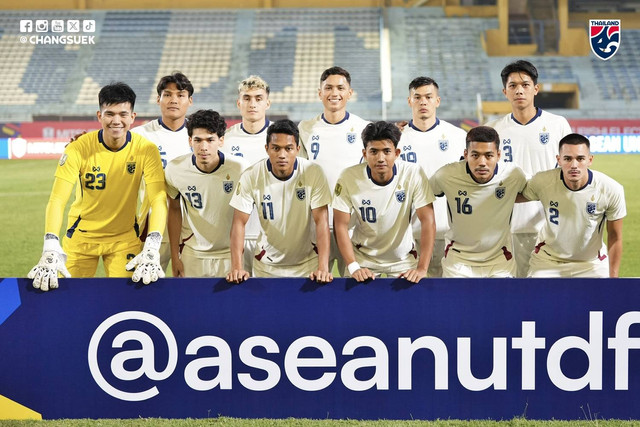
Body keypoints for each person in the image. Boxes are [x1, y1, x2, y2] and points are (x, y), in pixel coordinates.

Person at [28, 82, 167, 290]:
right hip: (82, 237)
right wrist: (50, 243)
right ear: (99, 116)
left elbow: (158, 198)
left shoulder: (146, 150)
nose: (116, 121)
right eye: (110, 114)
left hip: (124, 239)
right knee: (69, 300)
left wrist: (153, 243)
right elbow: (57, 199)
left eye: (123, 114)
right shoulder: (78, 148)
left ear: (133, 117)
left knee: (127, 300)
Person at [485, 60, 571, 277]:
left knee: (549, 290)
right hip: (507, 225)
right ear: (505, 91)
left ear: (536, 88)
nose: (519, 90)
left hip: (550, 223)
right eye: (513, 86)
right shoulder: (494, 129)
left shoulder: (557, 125)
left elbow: (570, 170)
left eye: (525, 84)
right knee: (513, 291)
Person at [226, 119, 332, 283]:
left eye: (288, 148)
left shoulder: (313, 172)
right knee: (266, 310)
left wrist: (323, 268)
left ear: (297, 149)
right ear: (267, 149)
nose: (282, 154)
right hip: (267, 266)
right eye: (276, 148)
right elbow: (238, 223)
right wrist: (236, 267)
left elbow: (322, 221)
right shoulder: (251, 175)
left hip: (307, 264)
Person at [332, 121, 436, 283]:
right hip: (363, 258)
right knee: (356, 306)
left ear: (397, 153)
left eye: (387, 151)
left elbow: (428, 221)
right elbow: (340, 225)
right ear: (364, 154)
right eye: (374, 151)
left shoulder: (413, 173)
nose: (380, 158)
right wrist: (353, 267)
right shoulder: (348, 177)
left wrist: (422, 269)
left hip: (403, 259)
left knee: (413, 306)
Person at [520, 133, 625, 277]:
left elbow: (615, 236)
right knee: (538, 298)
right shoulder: (543, 181)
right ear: (559, 160)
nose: (574, 165)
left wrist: (614, 279)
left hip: (591, 263)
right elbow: (510, 197)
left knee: (603, 299)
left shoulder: (611, 189)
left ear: (590, 160)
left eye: (580, 158)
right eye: (568, 159)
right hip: (548, 260)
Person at [298, 66, 370, 274]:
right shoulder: (305, 128)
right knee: (318, 285)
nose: (334, 93)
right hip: (315, 225)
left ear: (350, 93)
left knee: (355, 285)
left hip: (353, 225)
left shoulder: (364, 128)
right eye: (328, 88)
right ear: (320, 93)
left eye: (340, 87)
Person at [429, 126, 527, 278]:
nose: (482, 162)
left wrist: (506, 197)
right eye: (475, 155)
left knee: (502, 302)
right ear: (466, 154)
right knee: (457, 302)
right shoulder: (446, 175)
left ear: (499, 155)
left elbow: (538, 190)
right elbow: (421, 196)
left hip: (500, 260)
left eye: (489, 156)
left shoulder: (513, 175)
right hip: (459, 260)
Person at [165, 110, 246, 277]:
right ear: (190, 141)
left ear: (221, 140)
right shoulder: (175, 169)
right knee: (191, 303)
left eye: (210, 140)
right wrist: (175, 256)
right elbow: (174, 210)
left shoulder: (241, 169)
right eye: (198, 140)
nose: (203, 147)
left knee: (231, 303)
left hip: (230, 253)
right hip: (193, 253)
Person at [400, 76, 466, 277]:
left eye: (428, 97)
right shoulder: (396, 139)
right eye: (417, 97)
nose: (423, 102)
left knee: (444, 295)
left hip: (448, 232)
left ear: (437, 101)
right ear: (409, 101)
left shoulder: (457, 137)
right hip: (406, 234)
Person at [132, 72, 194, 271]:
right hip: (149, 229)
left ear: (189, 100)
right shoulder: (139, 136)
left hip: (191, 232)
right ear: (158, 99)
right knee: (141, 289)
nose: (173, 100)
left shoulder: (199, 137)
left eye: (180, 95)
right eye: (167, 94)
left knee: (187, 290)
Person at [222, 75, 272, 274]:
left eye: (258, 99)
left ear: (267, 103)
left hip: (270, 236)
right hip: (234, 234)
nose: (252, 104)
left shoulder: (280, 141)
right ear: (238, 103)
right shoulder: (224, 139)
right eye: (247, 98)